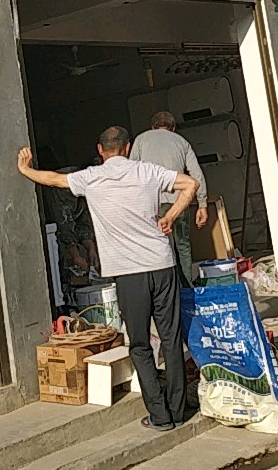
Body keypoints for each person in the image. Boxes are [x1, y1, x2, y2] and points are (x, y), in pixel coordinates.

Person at [18, 127, 198, 431]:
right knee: (170, 339)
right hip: (162, 265)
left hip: (129, 274)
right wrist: (171, 216)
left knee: (140, 344)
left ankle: (160, 415)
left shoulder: (91, 177)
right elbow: (190, 184)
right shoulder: (147, 170)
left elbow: (54, 180)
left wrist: (25, 169)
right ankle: (179, 410)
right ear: (127, 147)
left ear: (101, 150)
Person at [130, 112, 208, 286]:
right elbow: (197, 175)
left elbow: (131, 173)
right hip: (178, 202)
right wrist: (202, 205)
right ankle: (186, 288)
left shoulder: (141, 140)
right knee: (183, 247)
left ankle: (162, 290)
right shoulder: (182, 142)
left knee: (154, 248)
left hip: (151, 205)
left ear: (152, 127)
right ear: (173, 128)